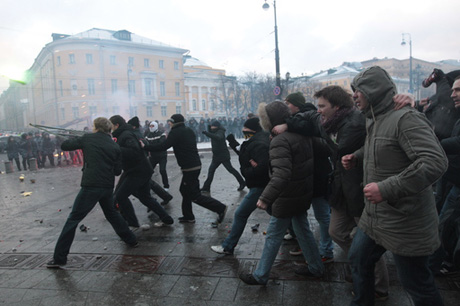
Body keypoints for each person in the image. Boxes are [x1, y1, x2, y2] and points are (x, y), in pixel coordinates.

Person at [342, 66, 447, 306]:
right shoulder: (375, 119)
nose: (354, 95)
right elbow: (383, 148)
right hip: (375, 218)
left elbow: (434, 162)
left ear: (373, 90)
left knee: (417, 285)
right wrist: (357, 156)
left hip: (404, 220)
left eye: (358, 90)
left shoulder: (406, 118)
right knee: (359, 260)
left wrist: (386, 189)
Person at [274, 87, 390, 298]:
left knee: (368, 239)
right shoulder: (330, 119)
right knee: (336, 231)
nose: (318, 111)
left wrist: (309, 130)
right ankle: (360, 264)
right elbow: (309, 115)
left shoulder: (353, 123)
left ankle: (378, 285)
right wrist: (289, 123)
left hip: (359, 187)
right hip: (341, 186)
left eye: (322, 106)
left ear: (337, 107)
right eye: (318, 105)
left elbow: (337, 147)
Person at [239, 101, 324, 285]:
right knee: (303, 231)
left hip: (287, 196)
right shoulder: (301, 134)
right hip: (301, 192)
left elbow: (282, 173)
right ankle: (316, 267)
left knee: (273, 235)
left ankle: (260, 275)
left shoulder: (280, 140)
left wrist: (264, 198)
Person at [46, 117, 138, 268]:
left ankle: (59, 258)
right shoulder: (114, 145)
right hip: (107, 187)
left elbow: (65, 145)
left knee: (73, 219)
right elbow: (117, 171)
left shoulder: (88, 139)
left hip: (91, 186)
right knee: (112, 214)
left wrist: (78, 139)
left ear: (95, 127)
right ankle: (131, 240)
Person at [143, 114, 227, 226]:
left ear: (174, 122)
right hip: (194, 165)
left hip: (190, 167)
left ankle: (220, 208)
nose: (169, 123)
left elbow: (163, 146)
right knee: (184, 190)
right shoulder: (188, 130)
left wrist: (145, 147)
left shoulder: (176, 132)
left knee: (194, 195)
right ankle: (188, 216)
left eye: (170, 121)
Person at [283, 92, 334, 263]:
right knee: (300, 217)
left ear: (296, 105)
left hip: (317, 174)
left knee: (322, 215)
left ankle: (326, 251)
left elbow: (326, 148)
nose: (286, 106)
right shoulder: (295, 120)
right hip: (305, 175)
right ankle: (308, 247)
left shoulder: (312, 119)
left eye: (288, 103)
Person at [210, 117, 270, 254]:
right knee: (276, 213)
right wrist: (232, 143)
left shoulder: (259, 144)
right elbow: (246, 152)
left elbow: (262, 167)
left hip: (259, 185)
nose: (243, 130)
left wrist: (247, 171)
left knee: (240, 214)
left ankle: (228, 246)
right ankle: (293, 232)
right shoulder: (256, 140)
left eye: (246, 128)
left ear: (253, 129)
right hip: (262, 185)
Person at [110, 115, 173, 229]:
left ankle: (132, 223)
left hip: (137, 171)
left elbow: (134, 151)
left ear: (116, 125)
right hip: (139, 169)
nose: (111, 129)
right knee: (145, 197)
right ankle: (167, 218)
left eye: (111, 126)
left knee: (121, 196)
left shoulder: (126, 135)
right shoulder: (125, 133)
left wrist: (116, 148)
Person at [201, 120, 246, 193]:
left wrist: (206, 133)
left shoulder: (220, 132)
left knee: (231, 170)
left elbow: (218, 137)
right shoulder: (215, 131)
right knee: (211, 171)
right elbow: (211, 131)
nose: (211, 127)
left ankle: (242, 182)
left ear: (216, 127)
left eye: (213, 126)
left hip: (223, 156)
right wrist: (209, 126)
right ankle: (206, 187)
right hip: (216, 156)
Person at [145, 121, 170, 190]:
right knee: (148, 171)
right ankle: (147, 185)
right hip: (153, 156)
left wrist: (150, 147)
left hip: (162, 156)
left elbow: (161, 145)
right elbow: (146, 144)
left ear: (156, 126)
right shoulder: (148, 135)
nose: (151, 127)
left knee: (162, 170)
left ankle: (166, 186)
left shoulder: (161, 134)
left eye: (152, 126)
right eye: (150, 126)